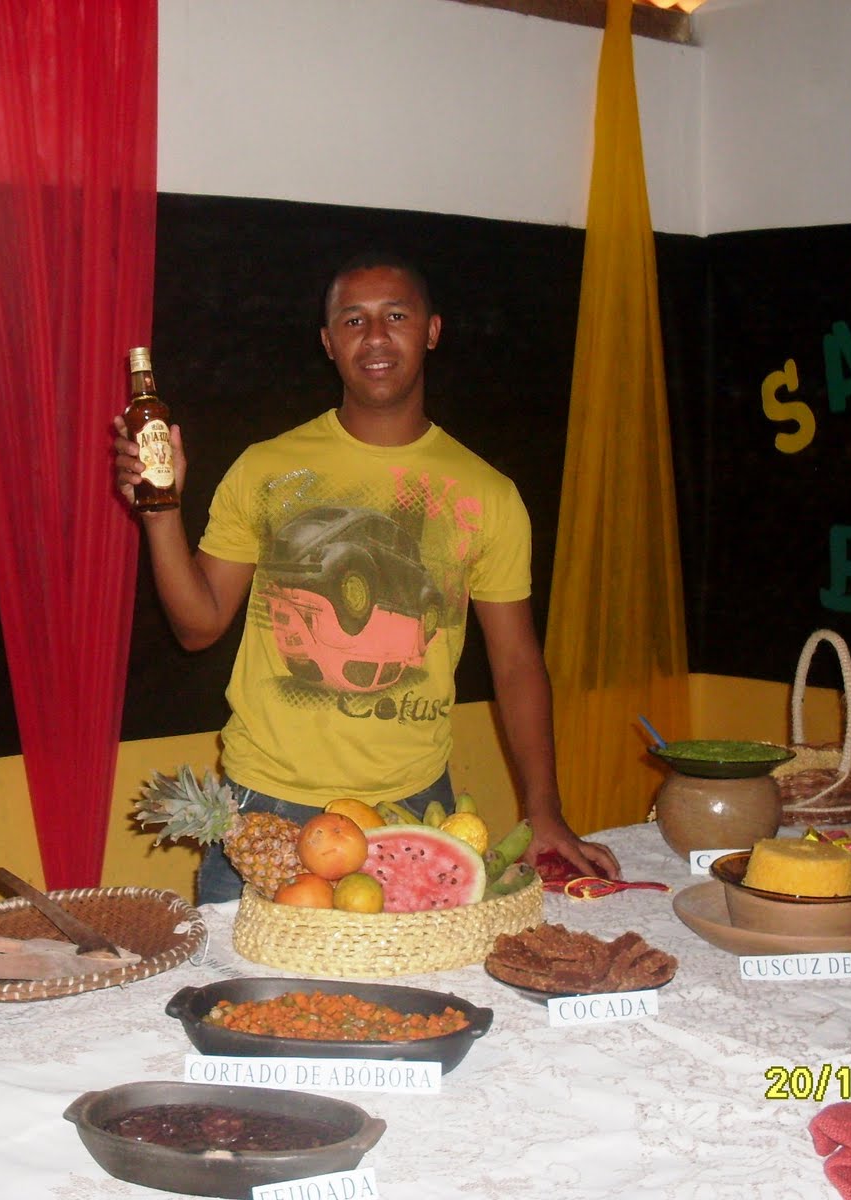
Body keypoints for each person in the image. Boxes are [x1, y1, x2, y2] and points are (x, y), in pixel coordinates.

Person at [114, 251, 620, 902]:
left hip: (413, 807)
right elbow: (197, 627)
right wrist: (160, 511)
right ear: (329, 342)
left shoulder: (488, 494)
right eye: (353, 320)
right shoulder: (265, 468)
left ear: (431, 330)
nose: (375, 336)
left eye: (396, 316)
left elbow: (518, 662)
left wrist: (543, 809)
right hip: (263, 808)